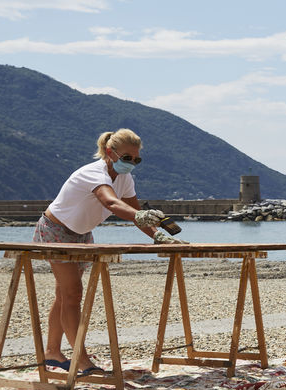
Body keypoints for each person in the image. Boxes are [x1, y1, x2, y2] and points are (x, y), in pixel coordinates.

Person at [36, 129, 182, 375]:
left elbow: (135, 213)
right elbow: (112, 203)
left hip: (82, 234)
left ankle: (52, 352)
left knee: (64, 293)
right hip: (56, 230)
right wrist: (140, 216)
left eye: (137, 160)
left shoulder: (125, 179)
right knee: (72, 293)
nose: (132, 164)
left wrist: (159, 236)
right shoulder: (93, 173)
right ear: (109, 152)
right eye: (127, 158)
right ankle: (81, 361)